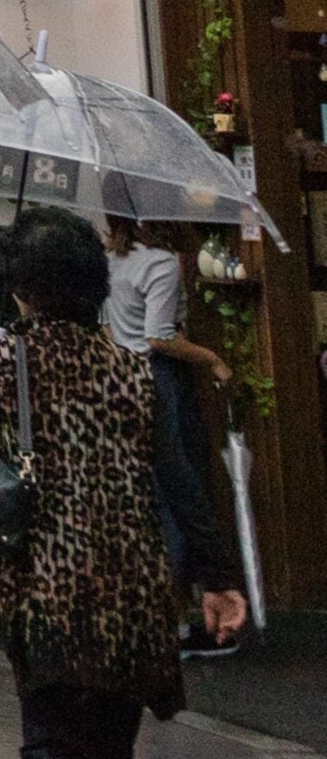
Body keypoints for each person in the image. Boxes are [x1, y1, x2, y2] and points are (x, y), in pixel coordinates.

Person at [0, 209, 248, 759]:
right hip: (136, 590)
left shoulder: (9, 357)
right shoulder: (134, 368)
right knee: (109, 754)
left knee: (49, 747)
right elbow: (181, 482)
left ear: (20, 286)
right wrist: (218, 577)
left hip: (50, 588)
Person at [102, 213, 232, 644]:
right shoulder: (161, 263)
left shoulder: (114, 260)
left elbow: (107, 329)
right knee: (179, 486)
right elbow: (159, 337)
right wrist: (210, 357)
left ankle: (156, 615)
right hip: (160, 376)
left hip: (122, 373)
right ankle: (177, 617)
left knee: (146, 491)